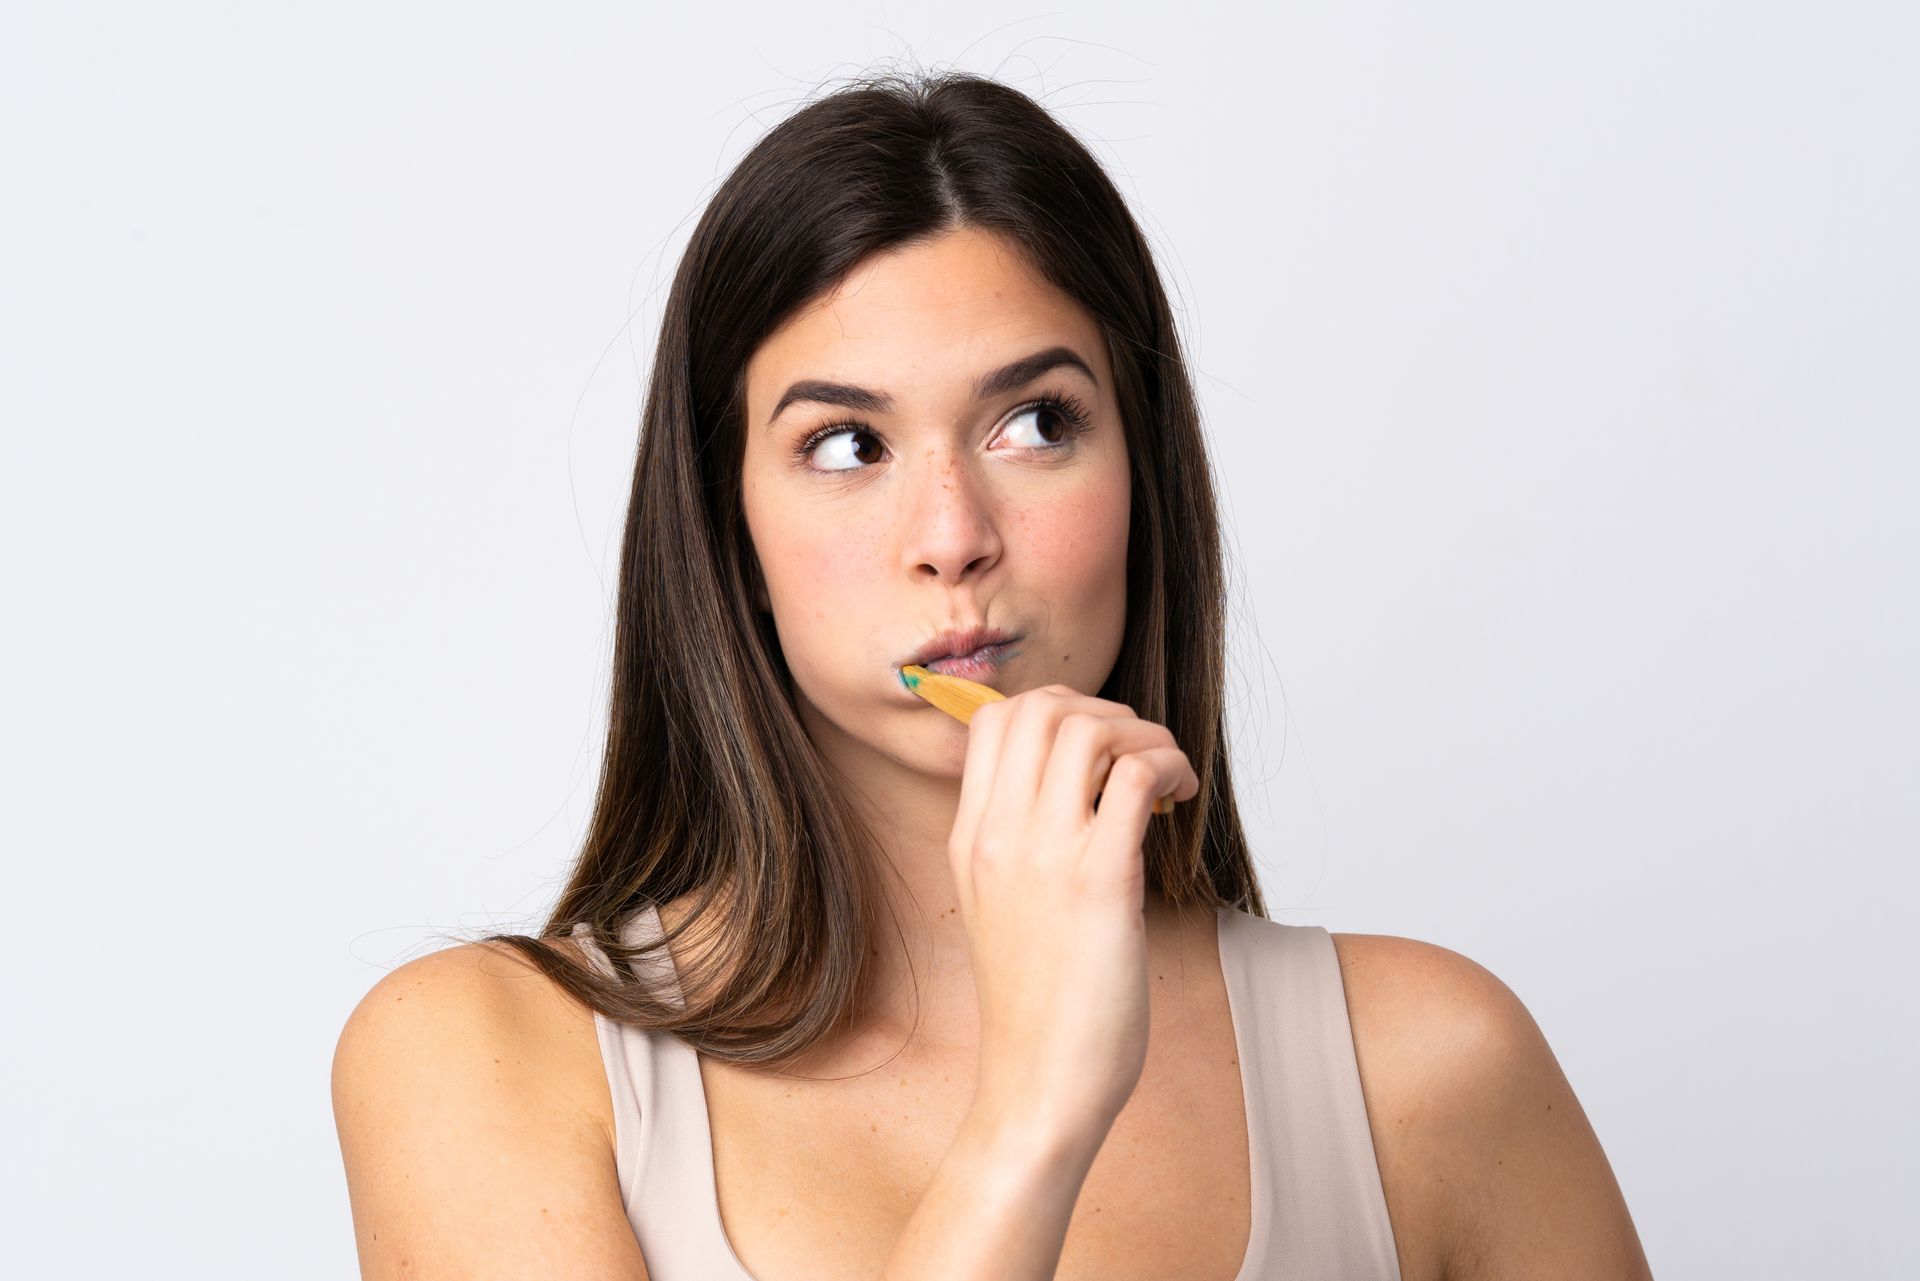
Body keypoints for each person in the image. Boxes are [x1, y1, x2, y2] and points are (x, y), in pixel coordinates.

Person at [330, 69, 1654, 1281]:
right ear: (727, 530)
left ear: (1143, 476)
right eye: (847, 444)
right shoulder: (478, 1062)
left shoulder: (1432, 1071)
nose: (955, 534)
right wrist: (1031, 1112)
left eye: (1035, 424)